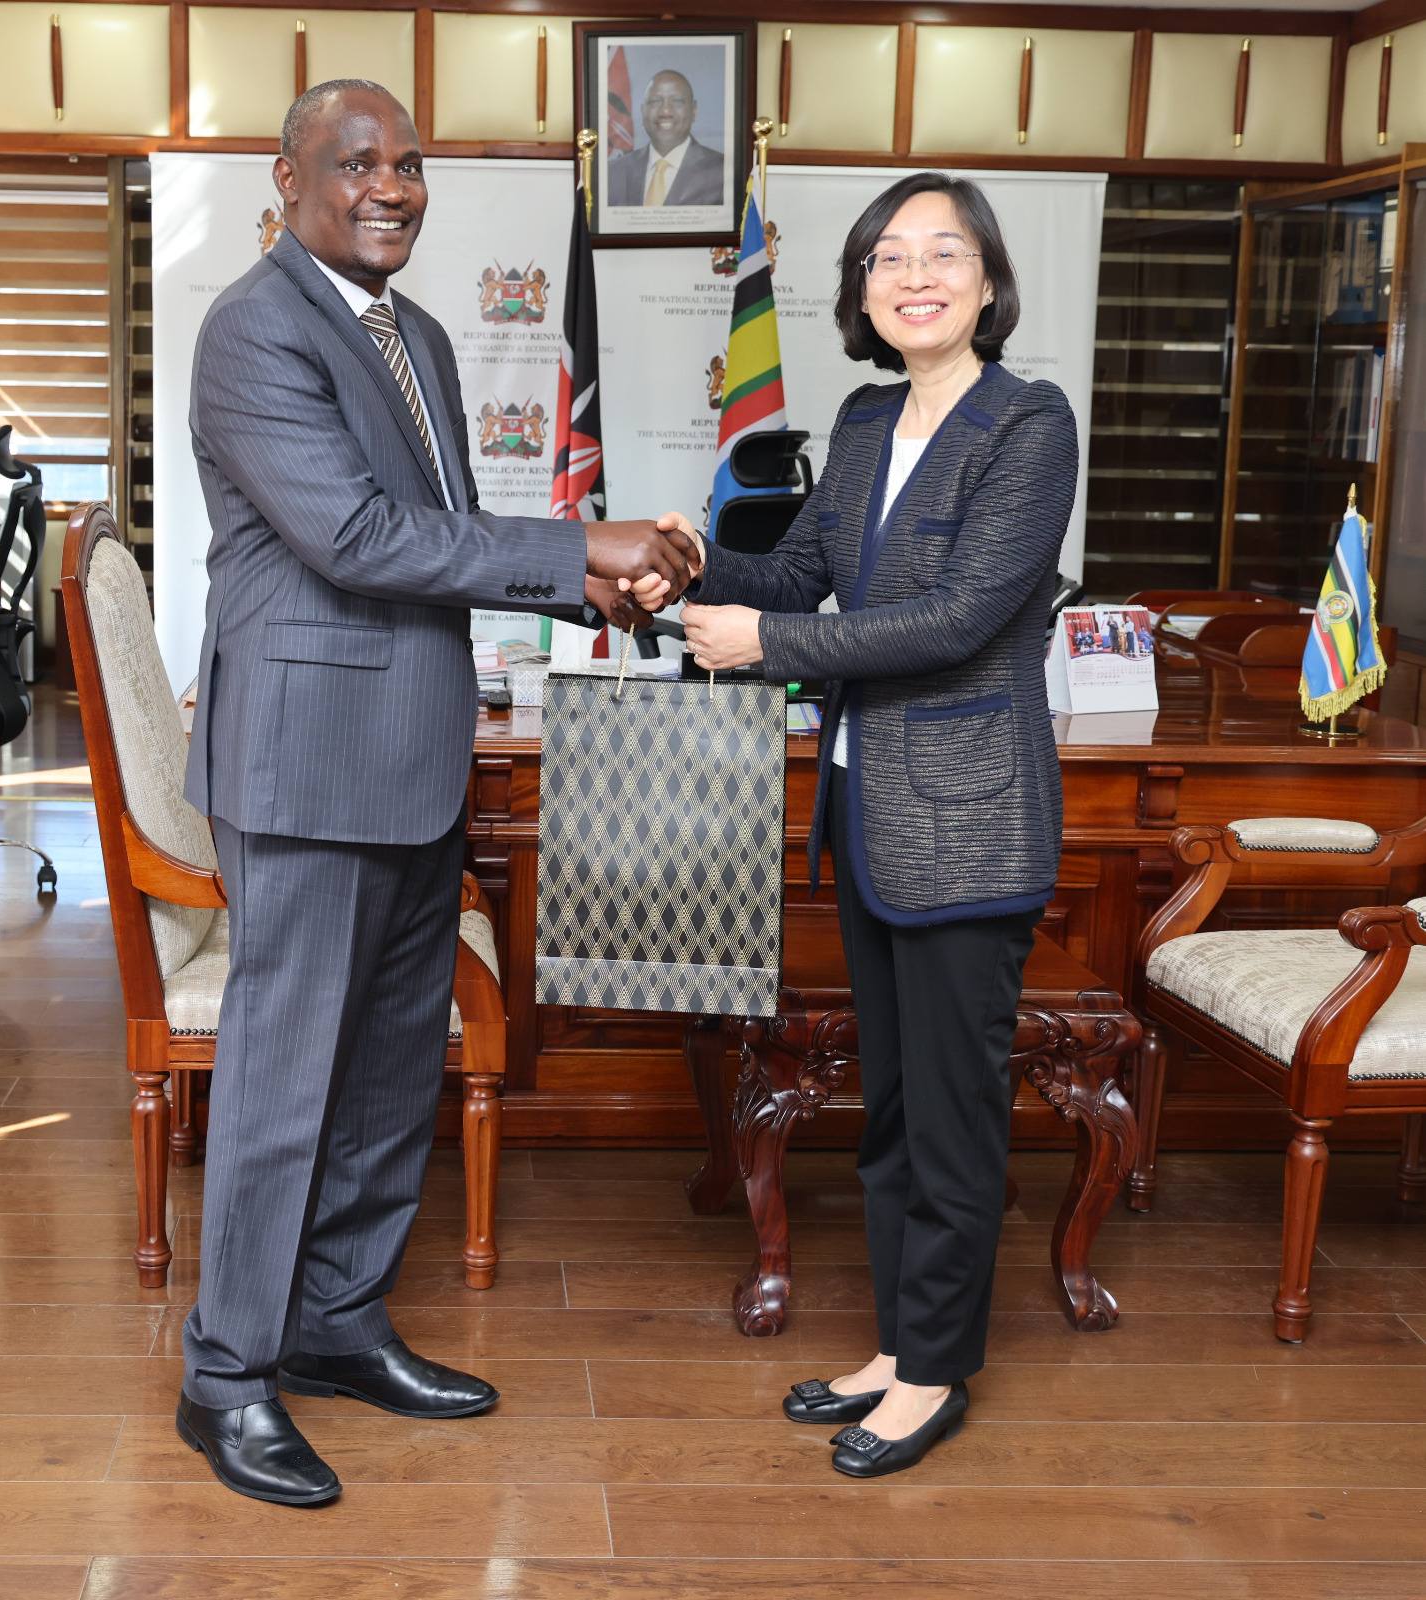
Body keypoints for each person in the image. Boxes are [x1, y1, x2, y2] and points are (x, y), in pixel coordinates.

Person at [177, 77, 693, 1507]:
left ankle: (335, 1321)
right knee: (285, 1083)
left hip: (407, 757)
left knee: (393, 1066)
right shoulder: (254, 328)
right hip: (304, 762)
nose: (388, 185)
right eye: (353, 164)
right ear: (285, 181)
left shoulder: (418, 335)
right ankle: (225, 1378)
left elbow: (447, 538)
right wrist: (578, 543)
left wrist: (608, 594)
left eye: (406, 163)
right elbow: (352, 536)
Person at [652, 172, 1079, 1479]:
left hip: (967, 822)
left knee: (952, 1115)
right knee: (892, 1111)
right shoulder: (861, 415)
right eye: (885, 257)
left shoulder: (1027, 424)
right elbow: (805, 574)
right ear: (859, 293)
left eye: (940, 253)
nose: (913, 275)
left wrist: (762, 640)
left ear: (987, 281)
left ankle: (938, 1371)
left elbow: (953, 620)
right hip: (870, 816)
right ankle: (901, 1344)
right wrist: (694, 562)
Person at [607, 68, 726, 208]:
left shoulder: (723, 172)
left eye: (677, 101)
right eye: (655, 101)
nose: (665, 111)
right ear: (642, 110)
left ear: (694, 110)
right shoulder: (613, 173)